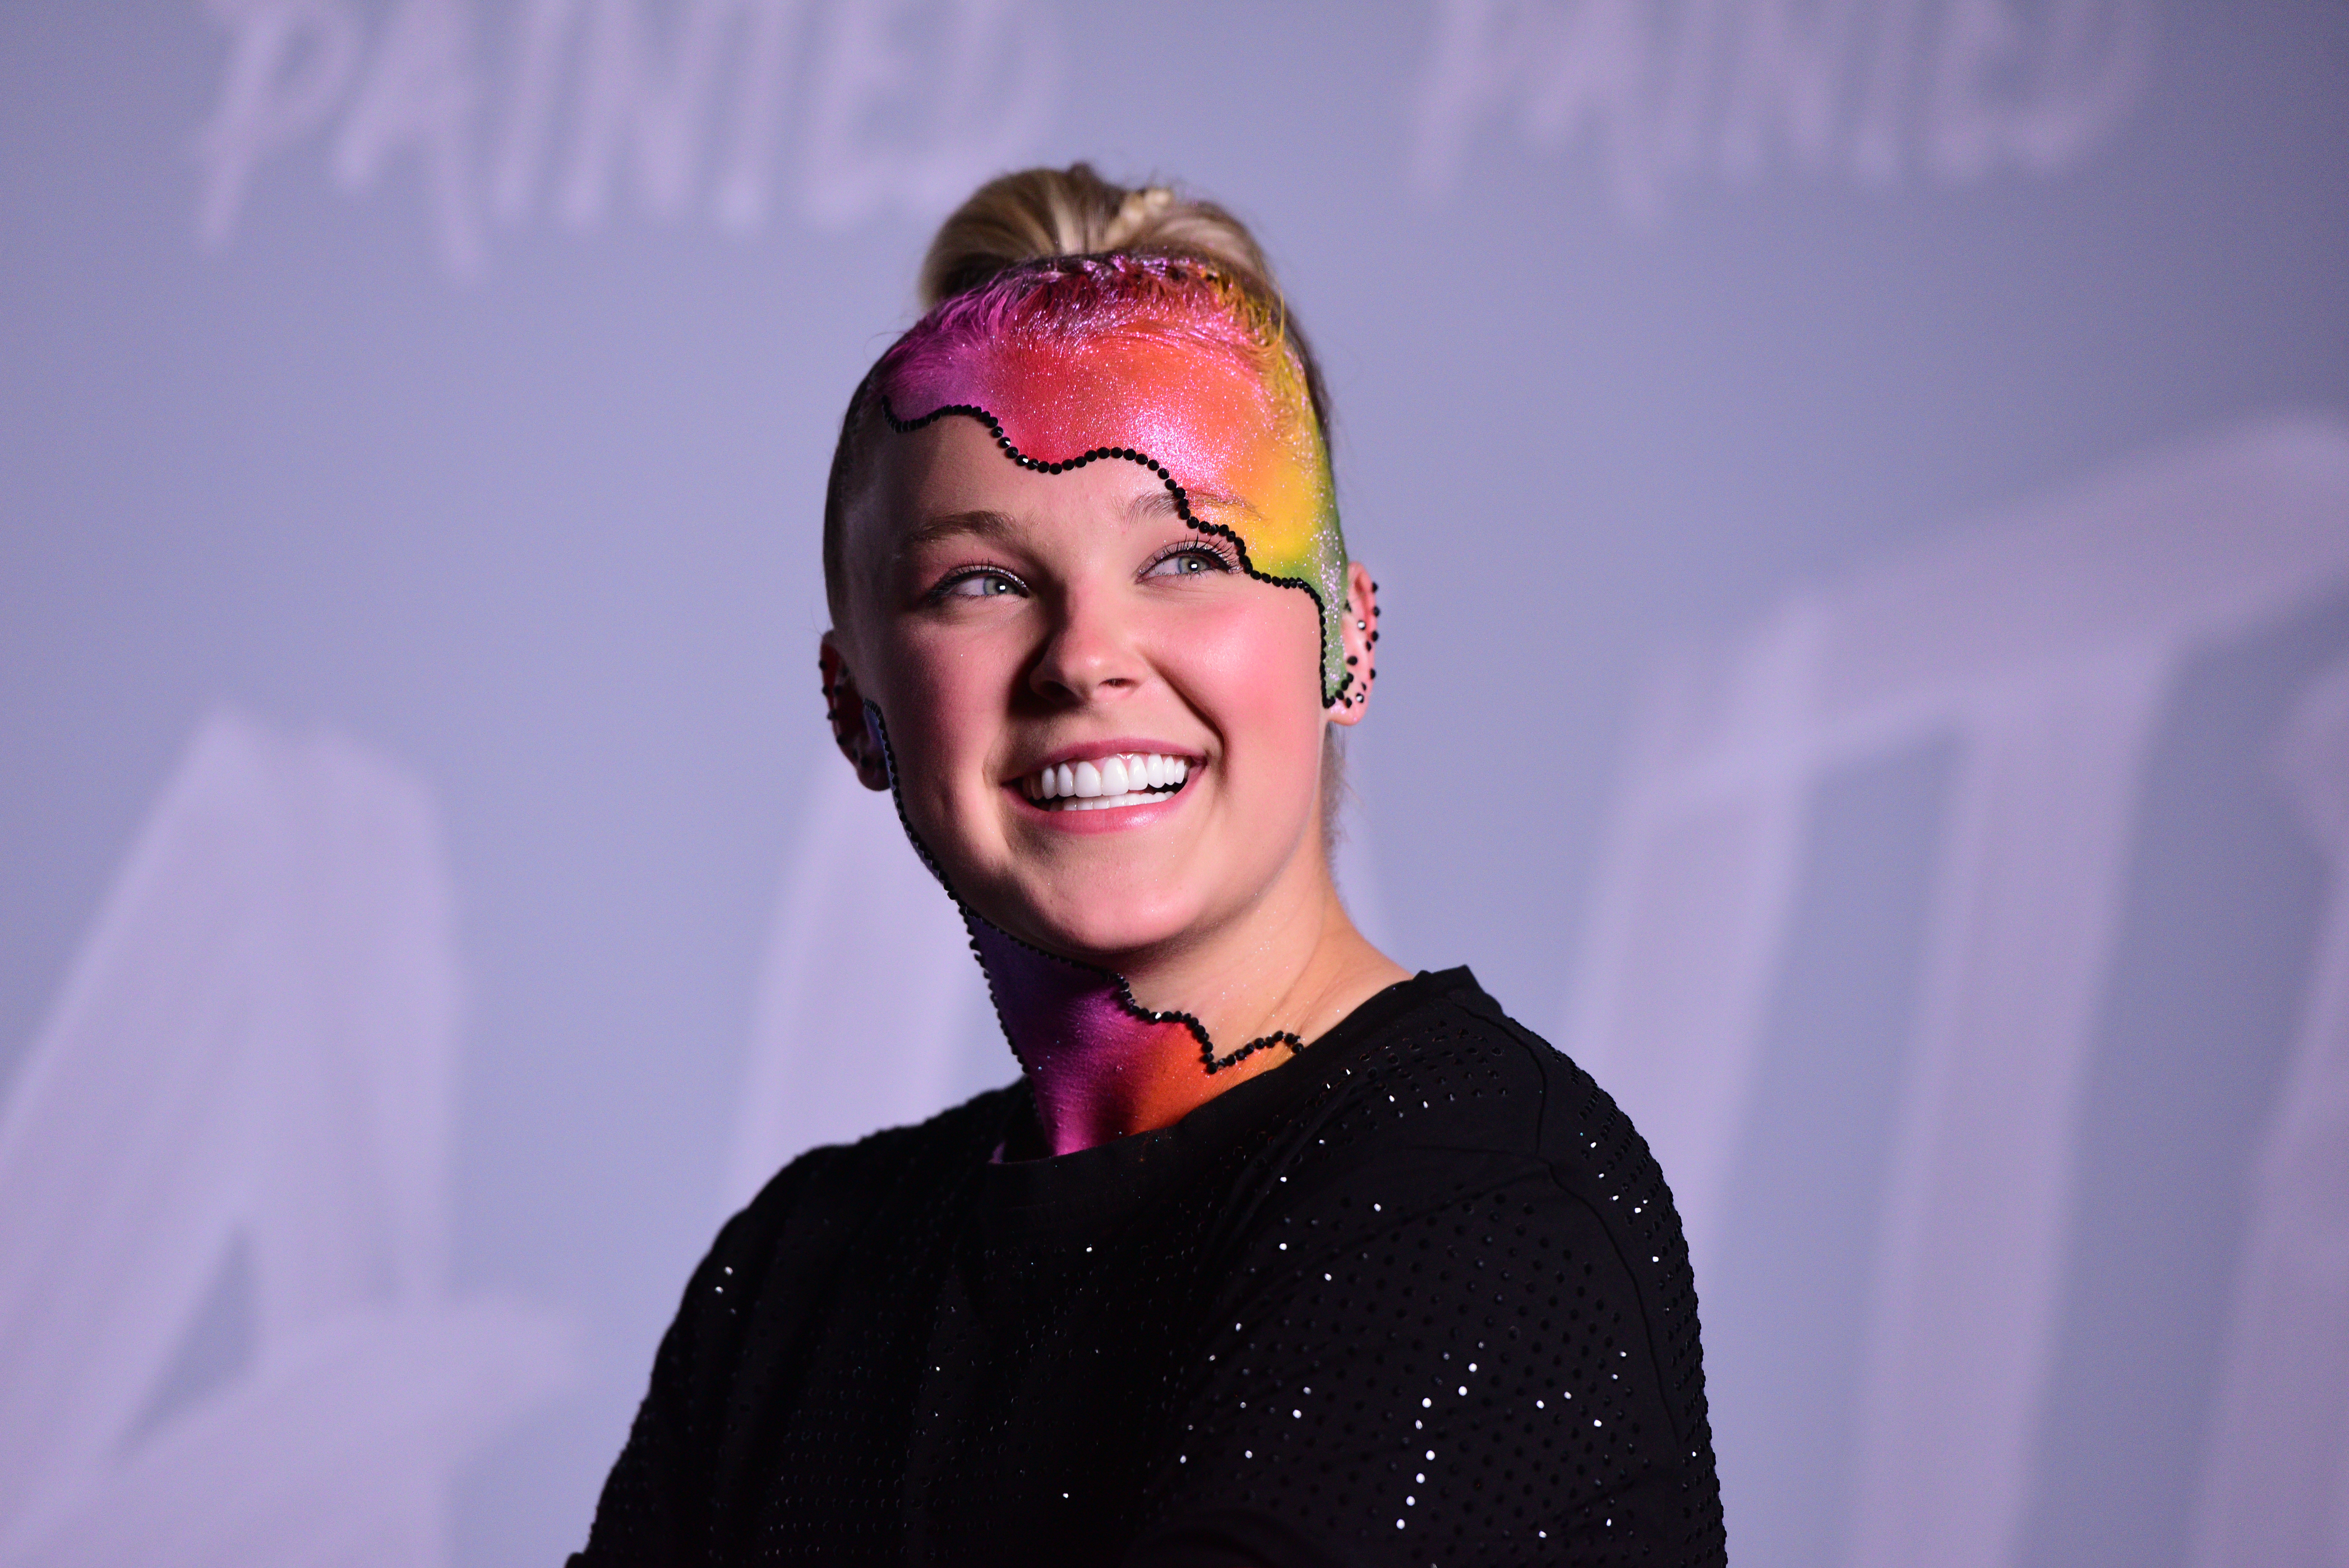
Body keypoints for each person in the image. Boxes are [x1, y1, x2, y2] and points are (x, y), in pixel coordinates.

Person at [573, 164, 1724, 1567]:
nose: (1084, 656)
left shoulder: (1478, 1203)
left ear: (1345, 639)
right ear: (852, 705)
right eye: (979, 582)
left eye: (1187, 557)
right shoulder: (793, 1281)